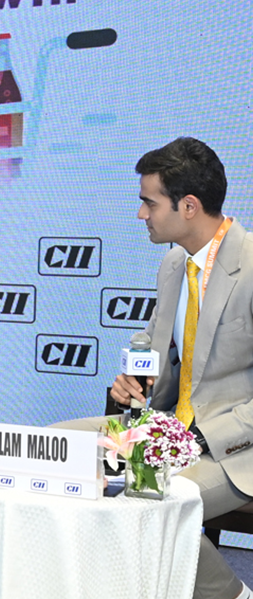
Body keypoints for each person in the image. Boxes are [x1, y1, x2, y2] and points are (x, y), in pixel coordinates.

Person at [56, 138, 253, 599]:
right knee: (58, 447)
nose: (141, 214)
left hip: (234, 448)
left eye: (149, 202)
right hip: (165, 429)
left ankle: (232, 595)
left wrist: (200, 438)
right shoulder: (173, 265)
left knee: (140, 501)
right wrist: (134, 384)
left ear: (189, 206)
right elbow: (163, 365)